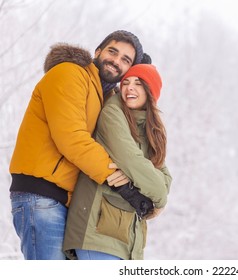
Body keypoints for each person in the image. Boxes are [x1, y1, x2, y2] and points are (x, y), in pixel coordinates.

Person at [9, 30, 148, 260]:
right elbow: (71, 137)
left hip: (64, 203)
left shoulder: (103, 95)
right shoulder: (70, 73)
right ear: (98, 51)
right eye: (113, 52)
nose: (116, 61)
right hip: (41, 196)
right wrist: (121, 184)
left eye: (126, 60)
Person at [63, 64, 172, 260]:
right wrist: (159, 200)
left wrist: (146, 181)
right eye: (126, 82)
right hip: (98, 233)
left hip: (125, 238)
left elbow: (165, 178)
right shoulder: (113, 113)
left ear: (151, 91)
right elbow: (133, 162)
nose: (129, 87)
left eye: (138, 83)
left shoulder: (149, 131)